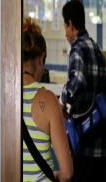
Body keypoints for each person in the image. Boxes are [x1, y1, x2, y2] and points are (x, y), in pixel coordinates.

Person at [60, 0, 106, 182]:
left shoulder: (77, 49)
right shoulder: (95, 47)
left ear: (71, 25)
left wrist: (63, 101)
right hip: (102, 140)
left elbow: (77, 80)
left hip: (86, 140)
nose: (65, 33)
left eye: (65, 26)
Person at [22, 18, 73, 182]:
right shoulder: (49, 101)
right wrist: (54, 175)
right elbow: (67, 173)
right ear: (41, 58)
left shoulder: (3, 98)